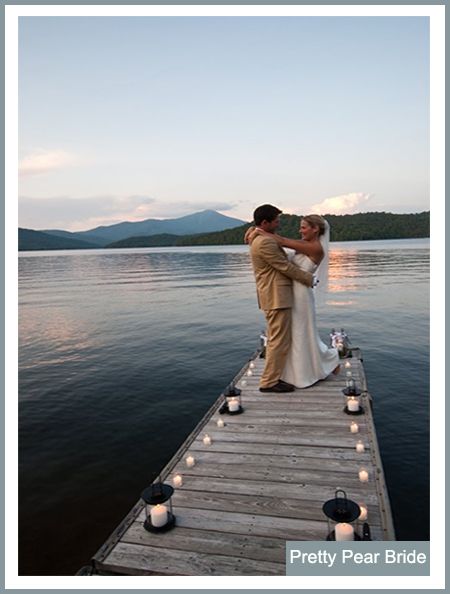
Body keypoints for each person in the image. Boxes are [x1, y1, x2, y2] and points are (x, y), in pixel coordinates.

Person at [246, 213, 339, 389]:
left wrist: (255, 231)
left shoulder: (316, 248)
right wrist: (254, 230)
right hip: (289, 293)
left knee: (302, 332)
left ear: (315, 229)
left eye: (304, 227)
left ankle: (324, 363)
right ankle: (295, 372)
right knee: (294, 334)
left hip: (301, 294)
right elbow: (280, 242)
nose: (300, 230)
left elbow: (280, 241)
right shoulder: (303, 245)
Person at [247, 204, 315, 393]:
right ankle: (268, 382)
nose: (279, 222)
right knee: (278, 340)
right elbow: (284, 266)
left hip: (273, 295)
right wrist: (310, 278)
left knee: (277, 338)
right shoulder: (265, 242)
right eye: (276, 220)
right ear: (264, 222)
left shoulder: (259, 237)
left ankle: (274, 377)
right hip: (276, 296)